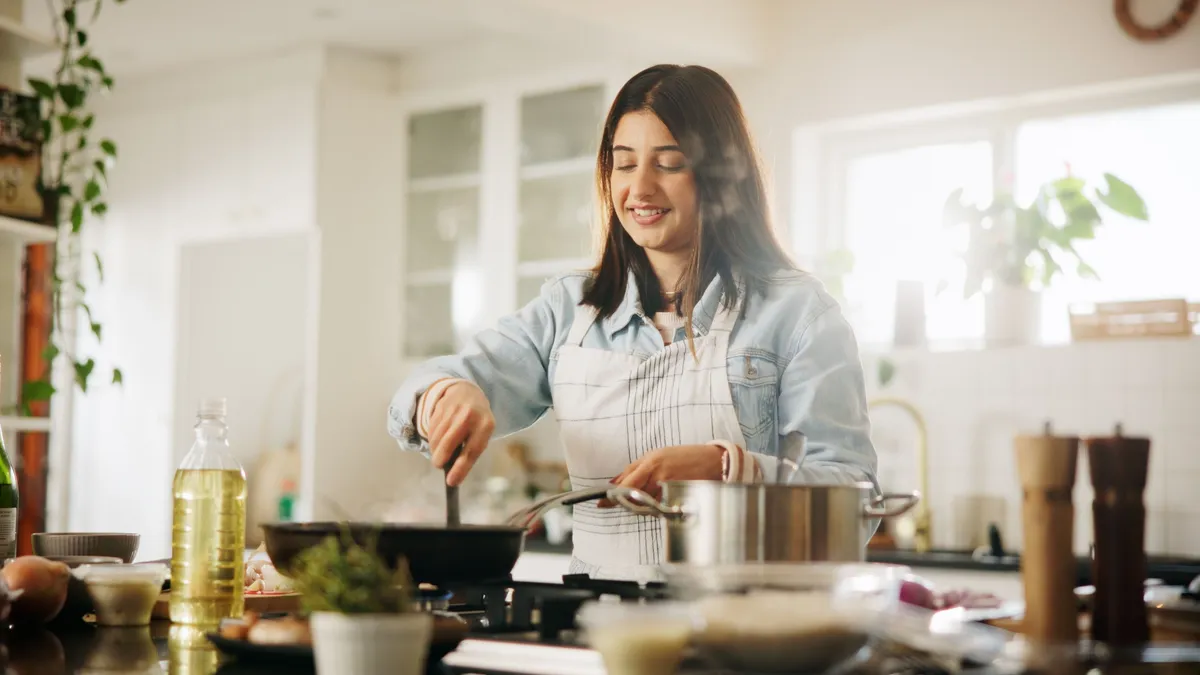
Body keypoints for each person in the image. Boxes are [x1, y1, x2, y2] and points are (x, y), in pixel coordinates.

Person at [388, 64, 879, 581]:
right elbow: (437, 383)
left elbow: (853, 507)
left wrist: (728, 469)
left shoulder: (797, 313)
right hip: (601, 631)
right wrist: (445, 397)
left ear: (719, 177)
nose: (639, 188)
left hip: (747, 633)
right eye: (624, 165)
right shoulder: (567, 309)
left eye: (668, 163)